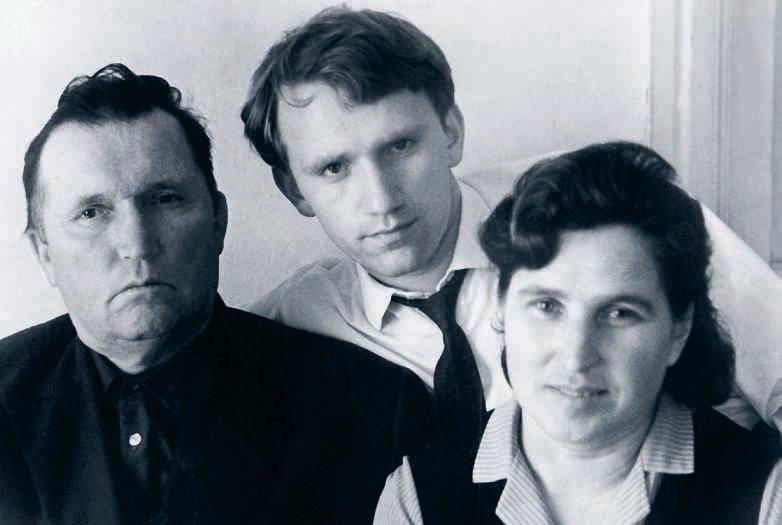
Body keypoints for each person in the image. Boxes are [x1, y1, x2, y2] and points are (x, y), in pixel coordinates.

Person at [241, 6, 782, 452]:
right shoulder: (292, 323)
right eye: (334, 168)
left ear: (451, 131)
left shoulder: (602, 209)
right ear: (294, 190)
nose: (381, 200)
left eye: (400, 146)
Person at [0, 63, 433, 525]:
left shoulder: (368, 410)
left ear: (218, 220)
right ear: (45, 254)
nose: (136, 243)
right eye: (91, 213)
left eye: (164, 198)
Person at [375, 141, 782, 524]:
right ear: (501, 310)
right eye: (547, 307)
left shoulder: (767, 495)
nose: (576, 355)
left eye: (620, 313)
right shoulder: (417, 497)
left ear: (679, 329)